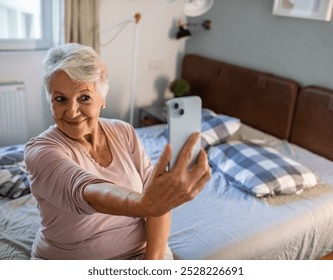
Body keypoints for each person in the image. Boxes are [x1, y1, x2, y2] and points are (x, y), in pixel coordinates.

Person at [24, 43, 211, 260]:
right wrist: (144, 204)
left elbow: (156, 199)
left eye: (84, 97)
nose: (72, 112)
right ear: (51, 102)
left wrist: (152, 262)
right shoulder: (40, 151)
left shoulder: (123, 131)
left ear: (102, 98)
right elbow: (89, 192)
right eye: (60, 99)